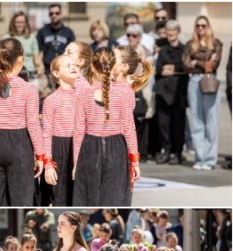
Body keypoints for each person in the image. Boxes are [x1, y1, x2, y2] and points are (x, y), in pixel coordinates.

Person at [72, 47, 144, 206]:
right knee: (115, 196)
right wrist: (135, 161)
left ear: (92, 67)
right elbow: (128, 128)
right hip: (116, 146)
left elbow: (78, 131)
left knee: (89, 197)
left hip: (89, 146)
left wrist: (76, 162)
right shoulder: (124, 92)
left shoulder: (85, 93)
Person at [0, 37, 42, 206]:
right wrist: (40, 155)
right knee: (21, 199)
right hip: (20, 144)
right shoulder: (29, 89)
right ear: (20, 60)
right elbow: (33, 125)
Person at [184, 16, 224, 171]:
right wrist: (204, 62)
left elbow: (214, 65)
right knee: (197, 121)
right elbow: (186, 65)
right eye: (198, 26)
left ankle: (210, 159)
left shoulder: (216, 43)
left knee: (211, 122)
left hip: (210, 82)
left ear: (208, 27)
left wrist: (196, 61)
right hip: (193, 82)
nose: (201, 28)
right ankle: (200, 158)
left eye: (204, 26)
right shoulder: (189, 45)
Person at [40, 55, 78, 206]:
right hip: (59, 147)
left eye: (75, 64)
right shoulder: (51, 100)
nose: (73, 67)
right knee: (60, 194)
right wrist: (48, 164)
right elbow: (46, 133)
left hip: (79, 145)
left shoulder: (84, 96)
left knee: (78, 194)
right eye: (68, 65)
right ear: (56, 73)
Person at [154, 20, 188, 166]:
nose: (170, 33)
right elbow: (159, 69)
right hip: (163, 91)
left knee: (178, 125)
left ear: (178, 32)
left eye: (173, 31)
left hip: (178, 92)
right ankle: (166, 151)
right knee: (163, 125)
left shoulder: (184, 49)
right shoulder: (162, 50)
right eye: (168, 31)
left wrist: (172, 69)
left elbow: (185, 68)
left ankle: (177, 153)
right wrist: (174, 69)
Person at [37, 4, 75, 91]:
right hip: (47, 71)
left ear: (61, 14)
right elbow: (38, 53)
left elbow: (72, 53)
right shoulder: (42, 31)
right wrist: (40, 68)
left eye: (57, 13)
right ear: (49, 15)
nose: (54, 15)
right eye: (51, 13)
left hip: (64, 71)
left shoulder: (68, 32)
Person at [3, 12, 43, 88]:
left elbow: (36, 58)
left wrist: (40, 67)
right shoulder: (6, 38)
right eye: (17, 22)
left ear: (26, 23)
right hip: (11, 75)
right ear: (13, 23)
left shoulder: (31, 37)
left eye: (22, 22)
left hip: (30, 74)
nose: (20, 24)